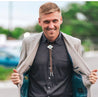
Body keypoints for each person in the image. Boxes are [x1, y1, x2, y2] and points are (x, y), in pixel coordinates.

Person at [11, 2, 98, 97]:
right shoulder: (28, 43)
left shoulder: (74, 43)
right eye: (46, 22)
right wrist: (17, 79)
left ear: (60, 20)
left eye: (55, 21)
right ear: (40, 21)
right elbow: (22, 73)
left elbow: (79, 74)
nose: (51, 26)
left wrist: (89, 79)